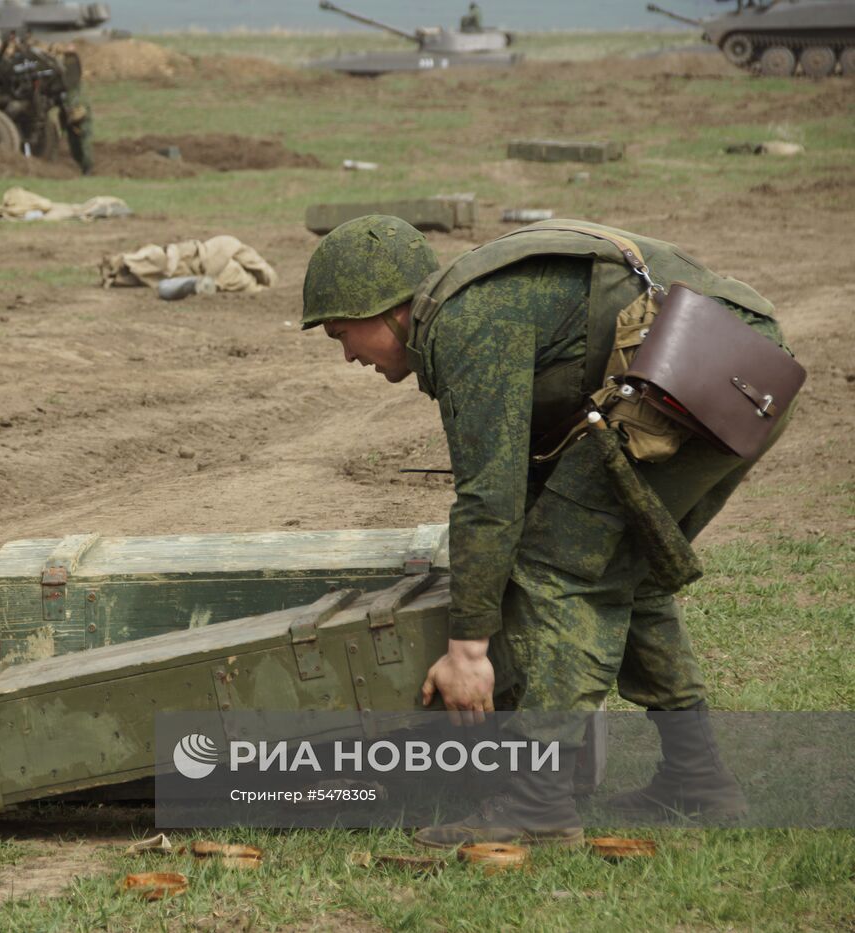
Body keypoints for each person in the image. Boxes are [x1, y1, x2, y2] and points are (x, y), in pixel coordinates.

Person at [300, 216, 795, 847]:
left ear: (390, 311)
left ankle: (538, 802)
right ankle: (697, 781)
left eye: (344, 333)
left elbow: (490, 499)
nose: (347, 354)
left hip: (703, 371)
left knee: (559, 572)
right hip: (738, 365)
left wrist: (468, 651)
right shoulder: (475, 302)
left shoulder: (467, 321)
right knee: (622, 568)